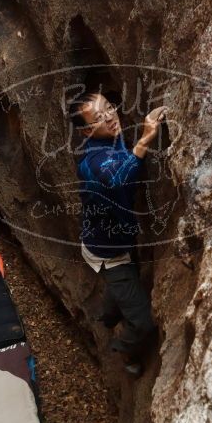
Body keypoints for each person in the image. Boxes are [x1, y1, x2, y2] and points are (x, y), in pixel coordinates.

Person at [70, 92, 167, 376]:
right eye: (99, 117)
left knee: (120, 287)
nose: (110, 117)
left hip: (109, 240)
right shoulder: (94, 161)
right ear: (87, 130)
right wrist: (147, 137)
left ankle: (108, 315)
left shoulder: (108, 140)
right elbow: (117, 178)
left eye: (109, 108)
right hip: (110, 253)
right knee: (142, 322)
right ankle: (123, 349)